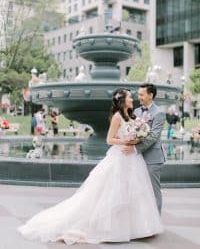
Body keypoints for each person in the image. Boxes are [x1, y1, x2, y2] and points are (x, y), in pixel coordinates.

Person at [17, 88, 163, 245]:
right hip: (120, 156)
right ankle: (110, 227)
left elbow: (141, 133)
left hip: (133, 158)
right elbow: (109, 140)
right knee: (115, 191)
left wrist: (135, 140)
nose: (132, 98)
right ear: (122, 100)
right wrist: (126, 141)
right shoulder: (117, 116)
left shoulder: (133, 115)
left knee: (135, 191)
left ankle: (135, 227)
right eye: (129, 97)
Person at [123, 83, 165, 214]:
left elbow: (153, 136)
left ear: (150, 95)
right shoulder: (136, 111)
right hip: (137, 158)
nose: (139, 97)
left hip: (152, 158)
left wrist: (135, 149)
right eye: (138, 94)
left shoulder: (159, 113)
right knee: (139, 190)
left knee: (153, 190)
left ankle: (156, 219)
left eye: (141, 94)